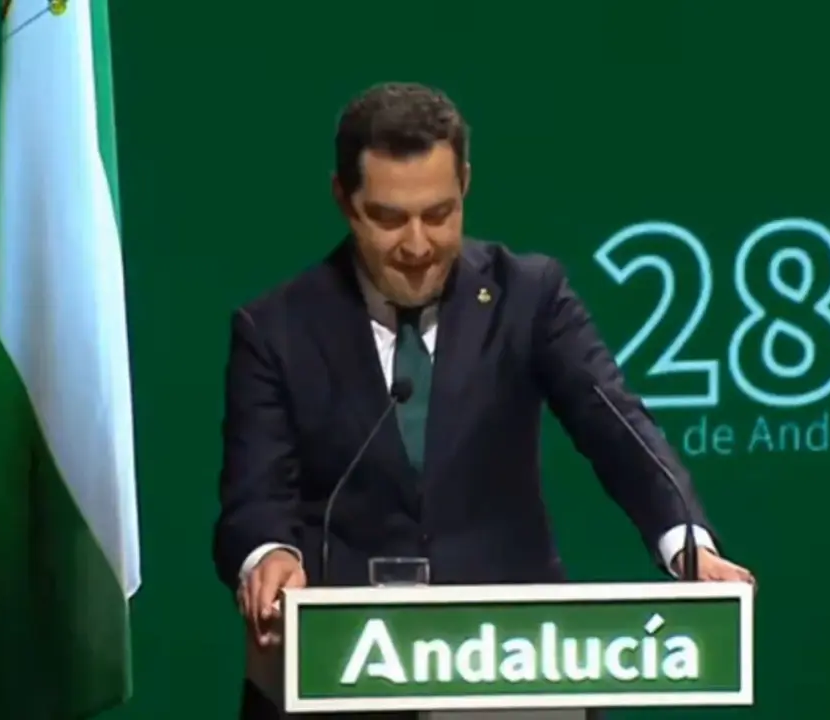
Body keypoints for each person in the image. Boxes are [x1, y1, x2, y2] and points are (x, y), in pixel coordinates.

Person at [213, 82, 755, 719]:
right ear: (343, 200)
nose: (417, 245)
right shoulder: (277, 329)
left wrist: (687, 543)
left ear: (465, 185)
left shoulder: (529, 296)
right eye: (389, 218)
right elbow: (256, 493)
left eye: (439, 214)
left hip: (510, 670)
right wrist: (271, 556)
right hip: (343, 677)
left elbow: (615, 426)